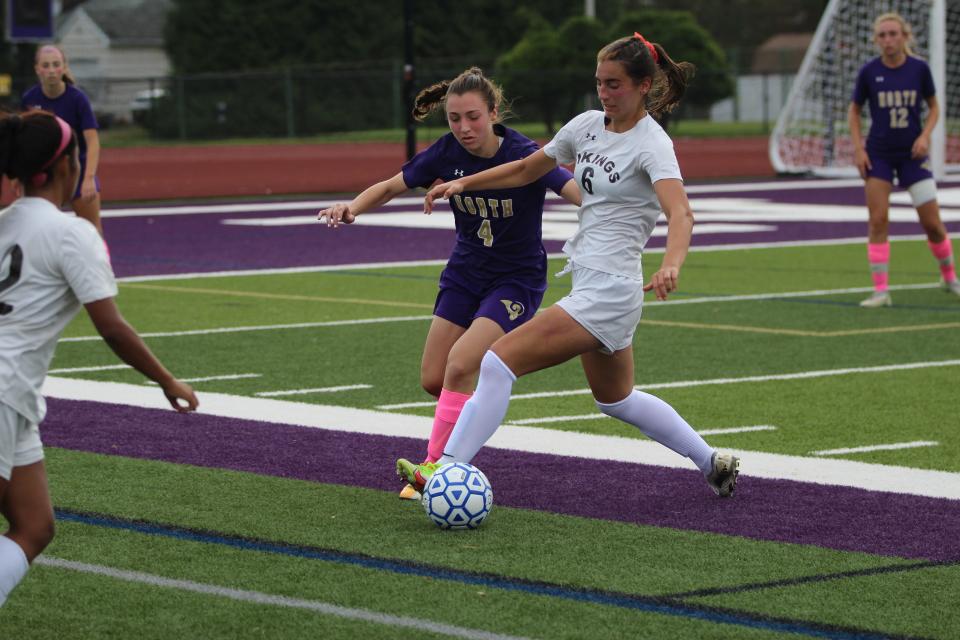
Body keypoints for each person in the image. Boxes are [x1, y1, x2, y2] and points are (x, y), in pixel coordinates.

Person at [397, 33, 740, 498]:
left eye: (614, 84)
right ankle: (712, 462)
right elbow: (524, 169)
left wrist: (671, 263)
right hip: (590, 285)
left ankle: (444, 466)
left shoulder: (653, 144)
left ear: (643, 85)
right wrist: (464, 185)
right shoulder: (585, 126)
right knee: (616, 399)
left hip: (610, 291)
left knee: (497, 362)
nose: (604, 93)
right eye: (599, 82)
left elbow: (681, 212)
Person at [319, 68, 579, 500]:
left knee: (460, 365)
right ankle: (481, 411)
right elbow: (389, 186)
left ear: (493, 112)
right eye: (454, 118)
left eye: (473, 117)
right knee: (434, 378)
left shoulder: (524, 153)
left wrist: (615, 211)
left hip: (515, 280)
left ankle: (433, 471)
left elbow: (573, 189)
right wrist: (353, 207)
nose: (463, 128)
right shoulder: (445, 152)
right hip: (464, 274)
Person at [0, 110, 199, 607]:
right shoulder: (71, 234)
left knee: (34, 525)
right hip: (4, 389)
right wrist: (167, 380)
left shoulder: (6, 223)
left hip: (16, 399)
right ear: (63, 168)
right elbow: (111, 326)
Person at [848, 12, 960, 308]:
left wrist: (925, 136)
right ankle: (881, 291)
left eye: (893, 34)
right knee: (878, 219)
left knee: (933, 224)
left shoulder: (918, 69)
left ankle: (949, 277)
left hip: (913, 157)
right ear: (876, 40)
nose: (888, 40)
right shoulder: (869, 72)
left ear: (905, 36)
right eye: (882, 35)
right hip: (880, 156)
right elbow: (855, 110)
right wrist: (859, 149)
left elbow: (934, 107)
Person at [21, 44, 104, 237]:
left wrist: (89, 178)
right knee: (41, 234)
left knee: (93, 233)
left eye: (56, 64)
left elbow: (92, 141)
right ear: (37, 69)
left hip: (77, 171)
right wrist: (20, 177)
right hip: (46, 175)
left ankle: (102, 268)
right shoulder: (29, 99)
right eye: (46, 65)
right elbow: (25, 141)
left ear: (64, 67)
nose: (51, 70)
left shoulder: (77, 99)